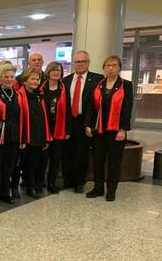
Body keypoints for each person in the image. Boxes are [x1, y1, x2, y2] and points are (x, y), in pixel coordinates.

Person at [85, 55, 133, 201]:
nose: (111, 68)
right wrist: (88, 124)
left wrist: (123, 129)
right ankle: (98, 188)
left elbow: (127, 108)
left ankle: (111, 190)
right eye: (108, 65)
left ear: (119, 67)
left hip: (116, 130)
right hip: (99, 130)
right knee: (98, 160)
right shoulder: (98, 84)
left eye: (114, 65)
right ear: (104, 68)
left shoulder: (126, 85)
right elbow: (91, 107)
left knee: (114, 161)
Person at [62, 50, 104, 193]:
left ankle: (79, 182)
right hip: (68, 121)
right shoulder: (66, 80)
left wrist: (89, 124)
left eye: (83, 61)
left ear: (88, 63)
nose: (80, 64)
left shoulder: (97, 79)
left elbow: (96, 104)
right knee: (67, 152)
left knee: (82, 152)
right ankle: (68, 180)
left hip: (85, 122)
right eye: (77, 62)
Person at [0, 63, 22, 204]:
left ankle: (5, 192)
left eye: (11, 77)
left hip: (14, 135)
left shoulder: (18, 94)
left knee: (9, 165)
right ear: (0, 78)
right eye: (6, 77)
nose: (9, 79)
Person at [36, 61, 70, 194]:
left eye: (59, 70)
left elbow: (68, 111)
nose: (56, 72)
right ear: (48, 72)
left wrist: (68, 130)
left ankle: (52, 182)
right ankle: (39, 182)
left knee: (56, 158)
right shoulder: (40, 88)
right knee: (42, 158)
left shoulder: (64, 89)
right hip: (44, 128)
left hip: (59, 128)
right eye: (54, 70)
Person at [18, 67, 52, 198]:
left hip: (37, 135)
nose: (36, 82)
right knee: (19, 164)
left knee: (33, 163)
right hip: (24, 135)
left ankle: (30, 188)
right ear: (25, 80)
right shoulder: (19, 95)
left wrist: (46, 137)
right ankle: (15, 187)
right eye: (32, 79)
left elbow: (45, 117)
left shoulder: (40, 96)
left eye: (37, 79)